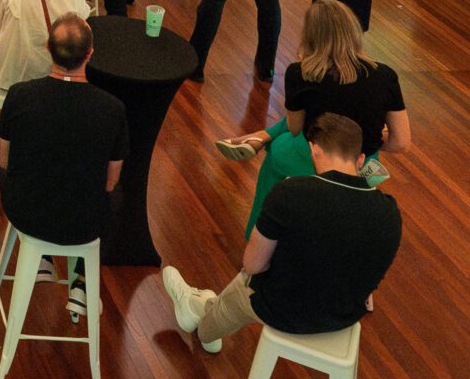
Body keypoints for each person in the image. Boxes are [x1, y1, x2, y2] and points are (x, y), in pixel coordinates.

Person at [161, 111, 401, 355]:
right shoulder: (390, 211)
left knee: (246, 281)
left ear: (315, 151)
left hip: (283, 311)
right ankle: (201, 305)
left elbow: (252, 265)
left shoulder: (290, 192)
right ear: (360, 159)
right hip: (343, 317)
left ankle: (200, 320)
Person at [222, 0, 412, 236]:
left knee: (279, 150)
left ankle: (258, 235)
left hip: (313, 157)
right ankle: (261, 137)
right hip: (360, 162)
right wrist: (371, 138)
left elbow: (295, 128)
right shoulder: (385, 75)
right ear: (354, 31)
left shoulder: (300, 73)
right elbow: (401, 142)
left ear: (310, 36)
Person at [0, 16, 125, 321]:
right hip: (84, 224)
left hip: (26, 212)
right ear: (90, 54)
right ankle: (82, 282)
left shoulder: (20, 95)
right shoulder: (112, 109)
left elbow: (5, 160)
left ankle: (43, 258)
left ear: (47, 48)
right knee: (115, 194)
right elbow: (110, 181)